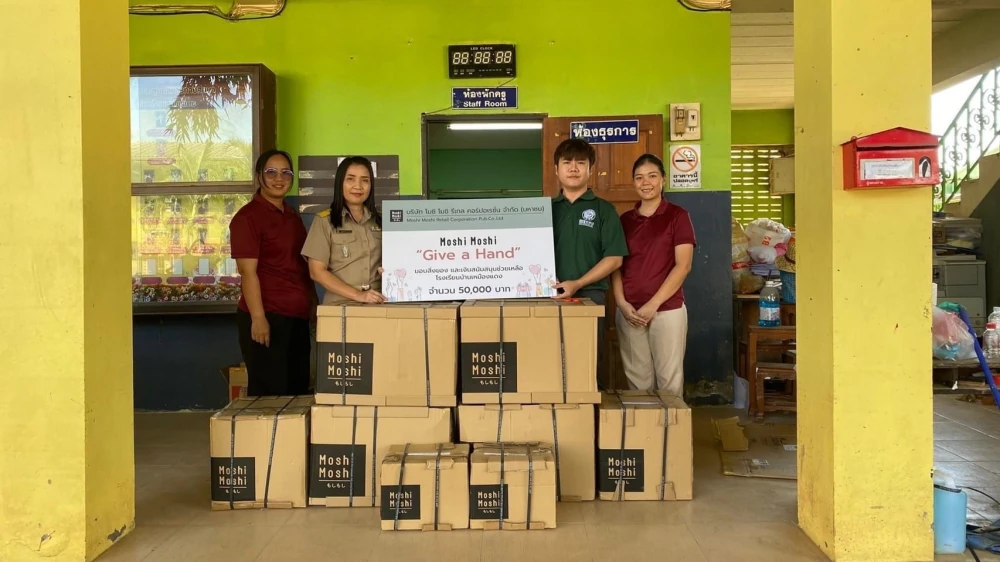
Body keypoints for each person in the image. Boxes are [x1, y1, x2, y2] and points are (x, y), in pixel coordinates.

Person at [230, 149, 316, 396]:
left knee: (297, 388)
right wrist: (258, 318)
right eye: (271, 172)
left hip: (296, 317)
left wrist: (311, 303)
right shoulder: (247, 218)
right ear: (259, 176)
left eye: (285, 173)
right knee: (271, 392)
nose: (279, 178)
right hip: (267, 317)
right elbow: (248, 273)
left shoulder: (291, 216)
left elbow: (300, 265)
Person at [612, 154, 696, 395]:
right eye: (639, 177)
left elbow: (683, 266)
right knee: (638, 384)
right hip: (629, 313)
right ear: (633, 183)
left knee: (669, 381)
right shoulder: (625, 220)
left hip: (667, 310)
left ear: (663, 180)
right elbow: (615, 265)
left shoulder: (677, 216)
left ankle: (671, 433)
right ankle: (645, 433)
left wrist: (653, 305)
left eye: (652, 176)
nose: (645, 182)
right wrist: (621, 304)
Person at [549, 138, 628, 389]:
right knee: (551, 361)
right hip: (548, 296)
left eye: (580, 163)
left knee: (590, 361)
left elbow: (615, 258)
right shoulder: (544, 210)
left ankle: (591, 420)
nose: (573, 168)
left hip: (591, 296)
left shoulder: (603, 210)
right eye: (567, 162)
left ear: (590, 169)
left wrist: (579, 282)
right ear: (556, 169)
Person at [301, 156, 385, 304]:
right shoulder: (324, 221)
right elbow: (316, 271)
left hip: (378, 304)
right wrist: (358, 295)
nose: (358, 186)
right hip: (339, 306)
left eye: (365, 180)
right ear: (340, 183)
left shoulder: (383, 221)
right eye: (350, 179)